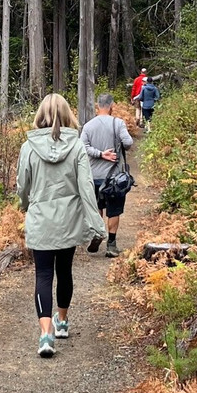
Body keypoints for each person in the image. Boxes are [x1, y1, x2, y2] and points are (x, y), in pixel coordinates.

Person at [16, 94, 107, 358]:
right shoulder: (76, 147)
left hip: (41, 219)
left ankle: (46, 334)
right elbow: (86, 188)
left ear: (40, 115)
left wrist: (25, 205)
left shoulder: (28, 147)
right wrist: (95, 223)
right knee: (64, 270)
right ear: (68, 114)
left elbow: (23, 186)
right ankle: (63, 322)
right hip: (69, 220)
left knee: (43, 275)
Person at [80, 93, 134, 259]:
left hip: (94, 176)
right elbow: (128, 143)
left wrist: (99, 153)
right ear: (112, 106)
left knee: (98, 207)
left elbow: (82, 146)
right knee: (114, 210)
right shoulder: (118, 123)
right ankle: (111, 244)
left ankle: (97, 234)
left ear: (98, 106)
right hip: (114, 178)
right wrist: (113, 149)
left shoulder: (88, 126)